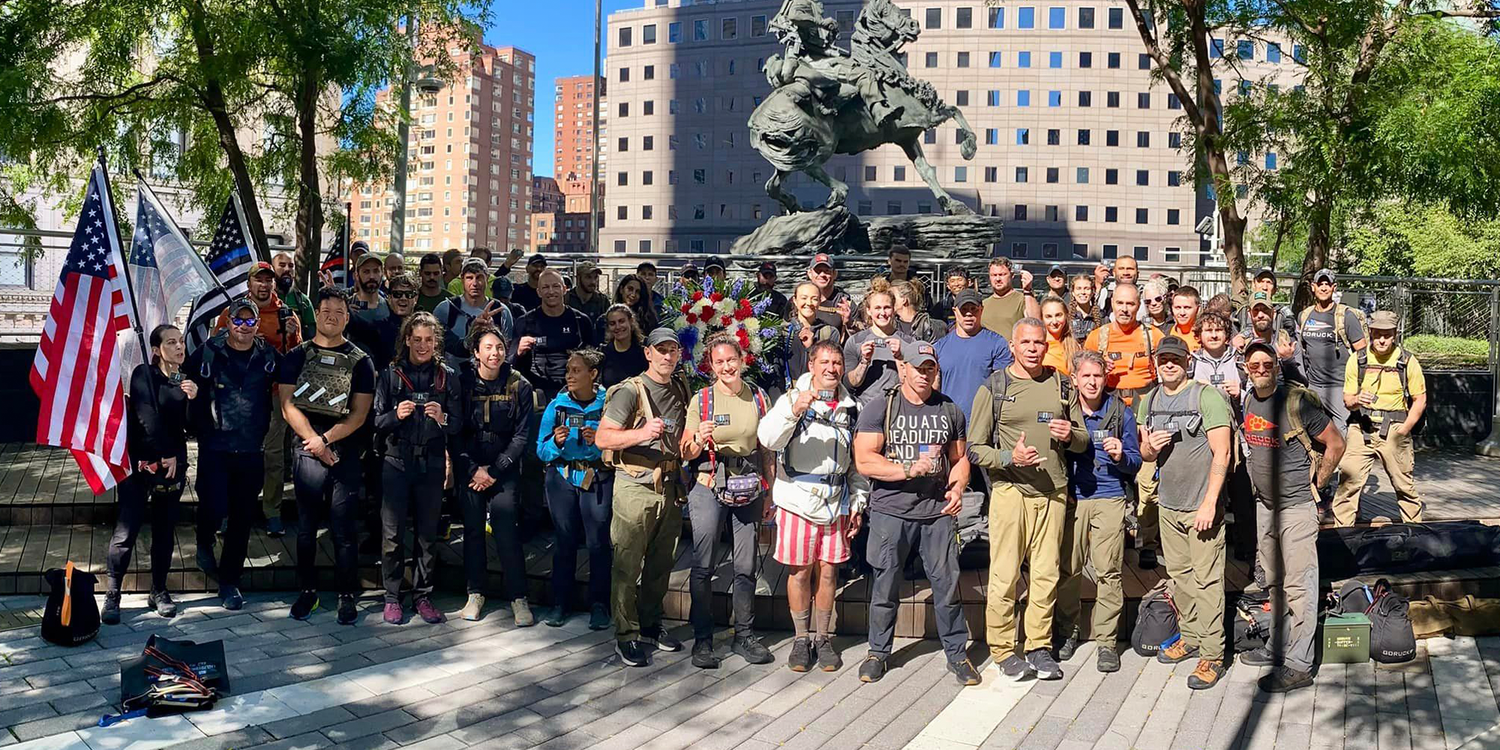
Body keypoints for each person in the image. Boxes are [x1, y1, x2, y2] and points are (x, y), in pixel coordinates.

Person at [969, 319, 1089, 681]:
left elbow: (1084, 439)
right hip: (1011, 492)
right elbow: (976, 449)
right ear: (1012, 345)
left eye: (1040, 342)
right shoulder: (994, 387)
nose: (1034, 348)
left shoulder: (1061, 383)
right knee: (1004, 575)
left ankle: (1038, 646)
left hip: (1053, 493)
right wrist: (1009, 458)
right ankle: (1004, 650)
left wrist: (1070, 435)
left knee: (1046, 574)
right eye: (1027, 343)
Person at [853, 340, 978, 686]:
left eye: (930, 368)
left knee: (947, 586)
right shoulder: (881, 407)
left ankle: (957, 654)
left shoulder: (950, 410)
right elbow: (864, 460)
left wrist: (957, 488)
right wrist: (909, 469)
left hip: (936, 512)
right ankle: (878, 652)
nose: (923, 374)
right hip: (890, 512)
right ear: (903, 368)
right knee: (885, 585)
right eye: (917, 367)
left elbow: (960, 460)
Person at [1239, 342, 1346, 693]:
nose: (1260, 369)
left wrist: (1319, 483)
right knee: (1274, 580)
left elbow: (1336, 443)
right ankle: (1278, 646)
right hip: (1265, 506)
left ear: (1276, 366)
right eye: (1254, 365)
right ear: (1245, 368)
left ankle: (1299, 665)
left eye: (1266, 363)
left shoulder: (1296, 402)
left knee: (1299, 585)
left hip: (1297, 505)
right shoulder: (1248, 400)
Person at [759, 340, 869, 672]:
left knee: (830, 572)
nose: (831, 368)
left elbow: (857, 466)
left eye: (836, 363)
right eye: (825, 362)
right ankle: (799, 638)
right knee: (800, 571)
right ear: (811, 365)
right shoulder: (792, 399)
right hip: (796, 499)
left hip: (836, 502)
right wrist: (793, 413)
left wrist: (859, 503)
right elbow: (767, 439)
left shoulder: (852, 409)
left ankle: (823, 638)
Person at [1136, 335, 1233, 690]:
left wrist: (1210, 502)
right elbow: (1145, 453)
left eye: (1175, 359)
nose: (1169, 365)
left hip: (1200, 506)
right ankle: (1190, 636)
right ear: (1156, 362)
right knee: (1180, 576)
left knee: (1207, 580)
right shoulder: (1150, 400)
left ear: (1187, 360)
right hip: (1169, 505)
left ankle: (1213, 653)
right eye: (1163, 359)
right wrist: (1149, 447)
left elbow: (1223, 453)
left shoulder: (1206, 396)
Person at [279, 286, 378, 624]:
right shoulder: (296, 356)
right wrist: (314, 442)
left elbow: (359, 414)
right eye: (326, 311)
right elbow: (287, 405)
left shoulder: (361, 361)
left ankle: (347, 594)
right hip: (307, 451)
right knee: (306, 528)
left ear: (347, 318)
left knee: (344, 529)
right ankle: (307, 591)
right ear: (316, 315)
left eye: (339, 311)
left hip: (344, 452)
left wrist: (328, 440)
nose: (332, 316)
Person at [679, 336, 776, 669]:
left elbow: (767, 449)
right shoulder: (702, 401)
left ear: (742, 358)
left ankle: (744, 635)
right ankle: (703, 640)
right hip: (709, 483)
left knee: (746, 566)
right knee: (703, 564)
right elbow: (686, 452)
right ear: (711, 365)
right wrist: (698, 438)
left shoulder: (759, 397)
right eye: (719, 362)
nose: (726, 367)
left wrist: (771, 492)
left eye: (731, 360)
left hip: (749, 486)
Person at [596, 328, 690, 667]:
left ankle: (651, 625)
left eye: (673, 350)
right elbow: (603, 438)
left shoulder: (680, 386)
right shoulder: (629, 391)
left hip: (669, 484)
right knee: (627, 564)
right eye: (661, 350)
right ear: (648, 353)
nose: (667, 356)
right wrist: (641, 434)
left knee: (661, 563)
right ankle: (626, 634)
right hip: (635, 485)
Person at [185, 301, 278, 613]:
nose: (243, 326)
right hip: (216, 446)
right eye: (237, 320)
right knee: (213, 506)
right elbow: (185, 385)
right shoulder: (209, 352)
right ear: (228, 323)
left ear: (257, 325)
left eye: (250, 321)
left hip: (251, 447)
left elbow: (293, 375)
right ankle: (204, 539)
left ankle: (229, 582)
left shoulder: (266, 355)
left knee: (241, 518)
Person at [372, 312, 462, 625]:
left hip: (433, 462)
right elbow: (375, 421)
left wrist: (444, 419)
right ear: (407, 339)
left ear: (436, 341)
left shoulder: (448, 375)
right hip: (397, 461)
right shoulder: (390, 374)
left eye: (429, 339)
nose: (423, 345)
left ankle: (423, 595)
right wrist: (395, 415)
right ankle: (392, 596)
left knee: (427, 534)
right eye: (417, 339)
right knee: (392, 534)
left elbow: (461, 424)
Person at [103, 325, 195, 623]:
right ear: (156, 350)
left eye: (181, 341)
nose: (180, 347)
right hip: (140, 464)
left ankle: (158, 589)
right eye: (172, 342)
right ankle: (113, 593)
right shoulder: (143, 373)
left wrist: (195, 400)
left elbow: (192, 428)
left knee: (165, 531)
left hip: (172, 468)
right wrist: (164, 452)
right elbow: (146, 418)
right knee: (126, 530)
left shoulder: (184, 379)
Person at [1056, 350, 1140, 673]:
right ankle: (1067, 629)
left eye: (1097, 376)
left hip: (1110, 497)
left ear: (1106, 378)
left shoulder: (1120, 412)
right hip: (1074, 497)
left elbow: (1135, 461)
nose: (1092, 382)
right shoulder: (1065, 410)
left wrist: (1121, 456)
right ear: (1075, 379)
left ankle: (1106, 641)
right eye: (1086, 376)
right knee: (1069, 568)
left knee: (1109, 571)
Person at [455, 324, 538, 624]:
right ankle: (475, 593)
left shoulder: (519, 385)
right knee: (473, 531)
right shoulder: (462, 383)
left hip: (503, 470)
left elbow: (521, 436)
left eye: (500, 347)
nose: (495, 353)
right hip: (471, 468)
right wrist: (472, 469)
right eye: (488, 347)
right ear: (476, 352)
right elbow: (455, 431)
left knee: (506, 530)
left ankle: (518, 597)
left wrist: (495, 470)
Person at [213, 262, 301, 536]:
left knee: (273, 455)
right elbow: (215, 346)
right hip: (238, 396)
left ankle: (272, 511)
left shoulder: (286, 313)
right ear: (249, 284)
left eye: (268, 281)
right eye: (258, 280)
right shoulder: (232, 312)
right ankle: (229, 511)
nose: (264, 285)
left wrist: (293, 334)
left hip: (273, 394)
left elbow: (296, 359)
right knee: (235, 454)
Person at [1085, 283, 1160, 566]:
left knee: (1147, 480)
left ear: (1138, 304)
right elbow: (1085, 374)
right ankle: (1104, 544)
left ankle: (1147, 543)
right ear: (1112, 304)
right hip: (1109, 407)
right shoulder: (1098, 337)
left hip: (1144, 406)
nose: (1125, 309)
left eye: (1131, 304)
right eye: (1120, 303)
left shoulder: (1152, 335)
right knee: (1108, 470)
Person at [536, 348, 611, 630]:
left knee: (598, 543)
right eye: (568, 371)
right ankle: (560, 604)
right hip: (562, 478)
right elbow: (541, 451)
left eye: (576, 371)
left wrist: (598, 443)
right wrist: (555, 442)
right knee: (564, 540)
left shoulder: (607, 405)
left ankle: (600, 605)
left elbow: (617, 448)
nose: (569, 376)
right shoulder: (557, 406)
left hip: (597, 478)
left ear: (593, 375)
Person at [1333, 310, 1427, 526]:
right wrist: (1357, 400)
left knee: (1404, 485)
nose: (1382, 339)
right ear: (1371, 333)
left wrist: (1405, 429)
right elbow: (1347, 399)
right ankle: (1342, 537)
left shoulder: (1407, 361)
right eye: (1377, 334)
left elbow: (1420, 399)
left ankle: (1416, 534)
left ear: (1395, 334)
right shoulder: (1358, 359)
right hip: (1361, 427)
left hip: (1395, 427)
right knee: (1348, 482)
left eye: (1387, 334)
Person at [1298, 268, 1367, 432]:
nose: (1323, 288)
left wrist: (1359, 386)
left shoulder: (1346, 316)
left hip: (1338, 386)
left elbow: (1362, 353)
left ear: (1334, 287)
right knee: (1311, 431)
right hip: (1312, 385)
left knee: (1340, 432)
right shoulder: (1304, 316)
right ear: (1313, 287)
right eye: (1320, 284)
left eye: (1327, 284)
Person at [932, 289, 1013, 421]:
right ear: (955, 311)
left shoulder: (997, 343)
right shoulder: (939, 347)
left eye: (973, 309)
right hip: (948, 421)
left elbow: (1003, 387)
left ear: (981, 310)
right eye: (963, 309)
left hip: (983, 421)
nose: (969, 314)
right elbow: (934, 388)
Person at [843, 287, 916, 407]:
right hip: (865, 409)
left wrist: (900, 357)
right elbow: (849, 384)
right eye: (877, 308)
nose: (882, 313)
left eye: (887, 307)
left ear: (893, 310)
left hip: (898, 407)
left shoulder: (908, 342)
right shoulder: (855, 341)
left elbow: (914, 382)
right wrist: (864, 362)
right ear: (869, 311)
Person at [434, 259, 513, 360]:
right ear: (462, 279)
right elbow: (436, 347)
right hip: (452, 372)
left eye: (479, 277)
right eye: (469, 278)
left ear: (487, 279)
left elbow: (508, 350)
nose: (475, 283)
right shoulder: (445, 309)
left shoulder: (501, 311)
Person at [786, 281, 843, 387]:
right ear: (795, 300)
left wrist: (811, 348)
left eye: (814, 299)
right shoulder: (784, 332)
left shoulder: (829, 332)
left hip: (818, 390)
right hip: (788, 392)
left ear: (820, 302)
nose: (809, 303)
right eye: (804, 298)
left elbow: (831, 366)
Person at [1234, 267, 1298, 348]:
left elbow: (1293, 342)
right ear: (1253, 285)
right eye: (1261, 281)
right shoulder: (1240, 313)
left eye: (1269, 282)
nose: (1264, 287)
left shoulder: (1283, 315)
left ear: (1275, 289)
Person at [981, 257, 1040, 339]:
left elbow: (1036, 322)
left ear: (1012, 275)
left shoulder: (1023, 299)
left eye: (1002, 275)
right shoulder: (983, 304)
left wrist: (1028, 291)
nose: (998, 279)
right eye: (994, 275)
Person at [599, 304, 647, 388]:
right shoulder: (603, 353)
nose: (617, 327)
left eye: (621, 321)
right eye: (612, 323)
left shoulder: (645, 351)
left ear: (631, 321)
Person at [272, 251, 316, 337]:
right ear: (272, 269)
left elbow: (312, 334)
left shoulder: (303, 301)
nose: (287, 269)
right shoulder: (264, 299)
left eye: (291, 266)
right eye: (282, 265)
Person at [807, 254, 853, 332]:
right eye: (818, 271)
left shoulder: (846, 303)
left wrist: (848, 324)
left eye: (827, 271)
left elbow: (858, 337)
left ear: (835, 274)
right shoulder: (798, 302)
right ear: (809, 274)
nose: (822, 275)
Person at [1041, 297, 1077, 375]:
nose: (1054, 321)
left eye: (1058, 315)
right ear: (1042, 318)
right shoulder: (1038, 346)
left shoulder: (1075, 347)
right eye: (1048, 316)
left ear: (1066, 316)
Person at [1068, 274, 1103, 343]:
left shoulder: (1102, 317)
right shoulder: (1066, 316)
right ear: (1073, 292)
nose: (1083, 292)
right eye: (1079, 288)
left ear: (1093, 292)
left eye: (1087, 288)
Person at [1169, 286, 1202, 351]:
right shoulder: (1165, 334)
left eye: (1187, 308)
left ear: (1198, 309)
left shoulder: (1204, 336)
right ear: (1172, 308)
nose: (1182, 313)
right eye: (1178, 307)